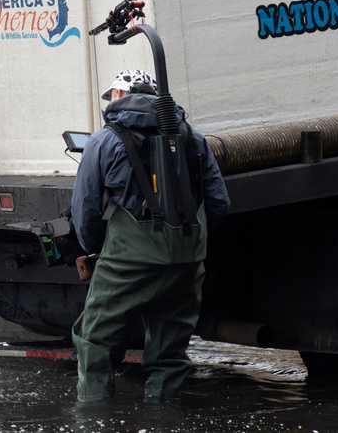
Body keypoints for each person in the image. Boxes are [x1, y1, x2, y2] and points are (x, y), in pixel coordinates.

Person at [70, 69, 230, 404]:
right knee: (170, 355)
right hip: (186, 260)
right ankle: (163, 419)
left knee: (94, 342)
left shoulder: (103, 140)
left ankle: (96, 422)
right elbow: (218, 202)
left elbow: (84, 208)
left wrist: (97, 250)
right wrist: (187, 244)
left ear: (122, 96)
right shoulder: (192, 137)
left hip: (126, 261)